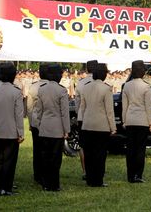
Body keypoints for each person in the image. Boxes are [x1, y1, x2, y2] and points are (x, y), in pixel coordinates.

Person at [0, 62, 24, 196]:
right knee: (9, 162)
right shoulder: (16, 91)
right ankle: (6, 188)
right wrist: (20, 132)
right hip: (11, 131)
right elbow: (18, 114)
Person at [79, 63, 117, 187]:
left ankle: (90, 179)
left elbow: (82, 108)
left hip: (87, 124)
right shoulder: (106, 88)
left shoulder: (86, 87)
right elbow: (109, 111)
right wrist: (113, 127)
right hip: (101, 125)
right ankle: (98, 180)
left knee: (89, 154)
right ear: (104, 74)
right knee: (100, 154)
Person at [35, 63, 70, 191]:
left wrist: (40, 124)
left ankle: (45, 184)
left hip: (44, 126)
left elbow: (38, 111)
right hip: (57, 128)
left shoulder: (42, 89)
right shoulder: (61, 90)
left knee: (45, 157)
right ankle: (54, 184)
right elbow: (64, 113)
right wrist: (67, 130)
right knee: (55, 158)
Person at [122, 60, 151, 183]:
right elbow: (148, 107)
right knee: (140, 149)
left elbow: (125, 106)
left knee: (130, 149)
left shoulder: (126, 86)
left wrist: (124, 120)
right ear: (143, 72)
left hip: (130, 120)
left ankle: (130, 175)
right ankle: (138, 175)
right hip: (142, 120)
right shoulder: (146, 86)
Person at [74, 60, 98, 180]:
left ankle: (85, 171)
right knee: (97, 145)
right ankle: (96, 169)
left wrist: (80, 114)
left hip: (83, 117)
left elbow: (77, 102)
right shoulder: (100, 82)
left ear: (87, 69)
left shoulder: (81, 83)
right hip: (97, 117)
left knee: (83, 145)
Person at [26, 64, 48, 184]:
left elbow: (29, 108)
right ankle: (46, 173)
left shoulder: (34, 87)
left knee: (37, 149)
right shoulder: (51, 87)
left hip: (35, 122)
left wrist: (30, 122)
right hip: (48, 122)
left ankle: (37, 174)